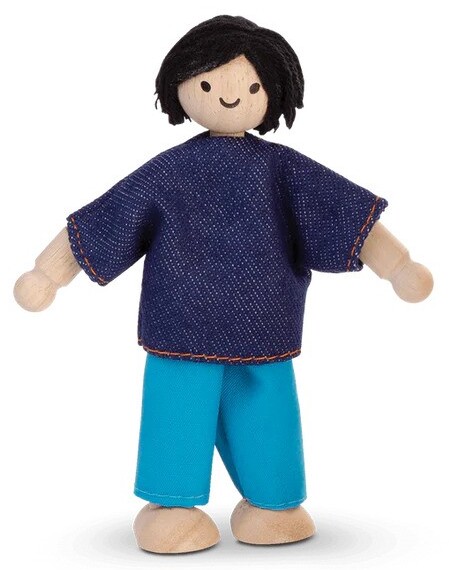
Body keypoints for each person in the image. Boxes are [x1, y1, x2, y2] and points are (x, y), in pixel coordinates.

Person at [14, 15, 433, 554]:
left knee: (267, 413)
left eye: (252, 87)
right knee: (178, 411)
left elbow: (342, 213)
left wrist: (398, 266)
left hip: (264, 327)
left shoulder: (284, 170)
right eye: (209, 83)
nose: (231, 96)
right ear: (182, 86)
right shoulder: (169, 172)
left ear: (273, 93)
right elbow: (113, 216)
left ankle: (273, 503)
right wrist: (48, 274)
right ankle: (171, 508)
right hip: (181, 327)